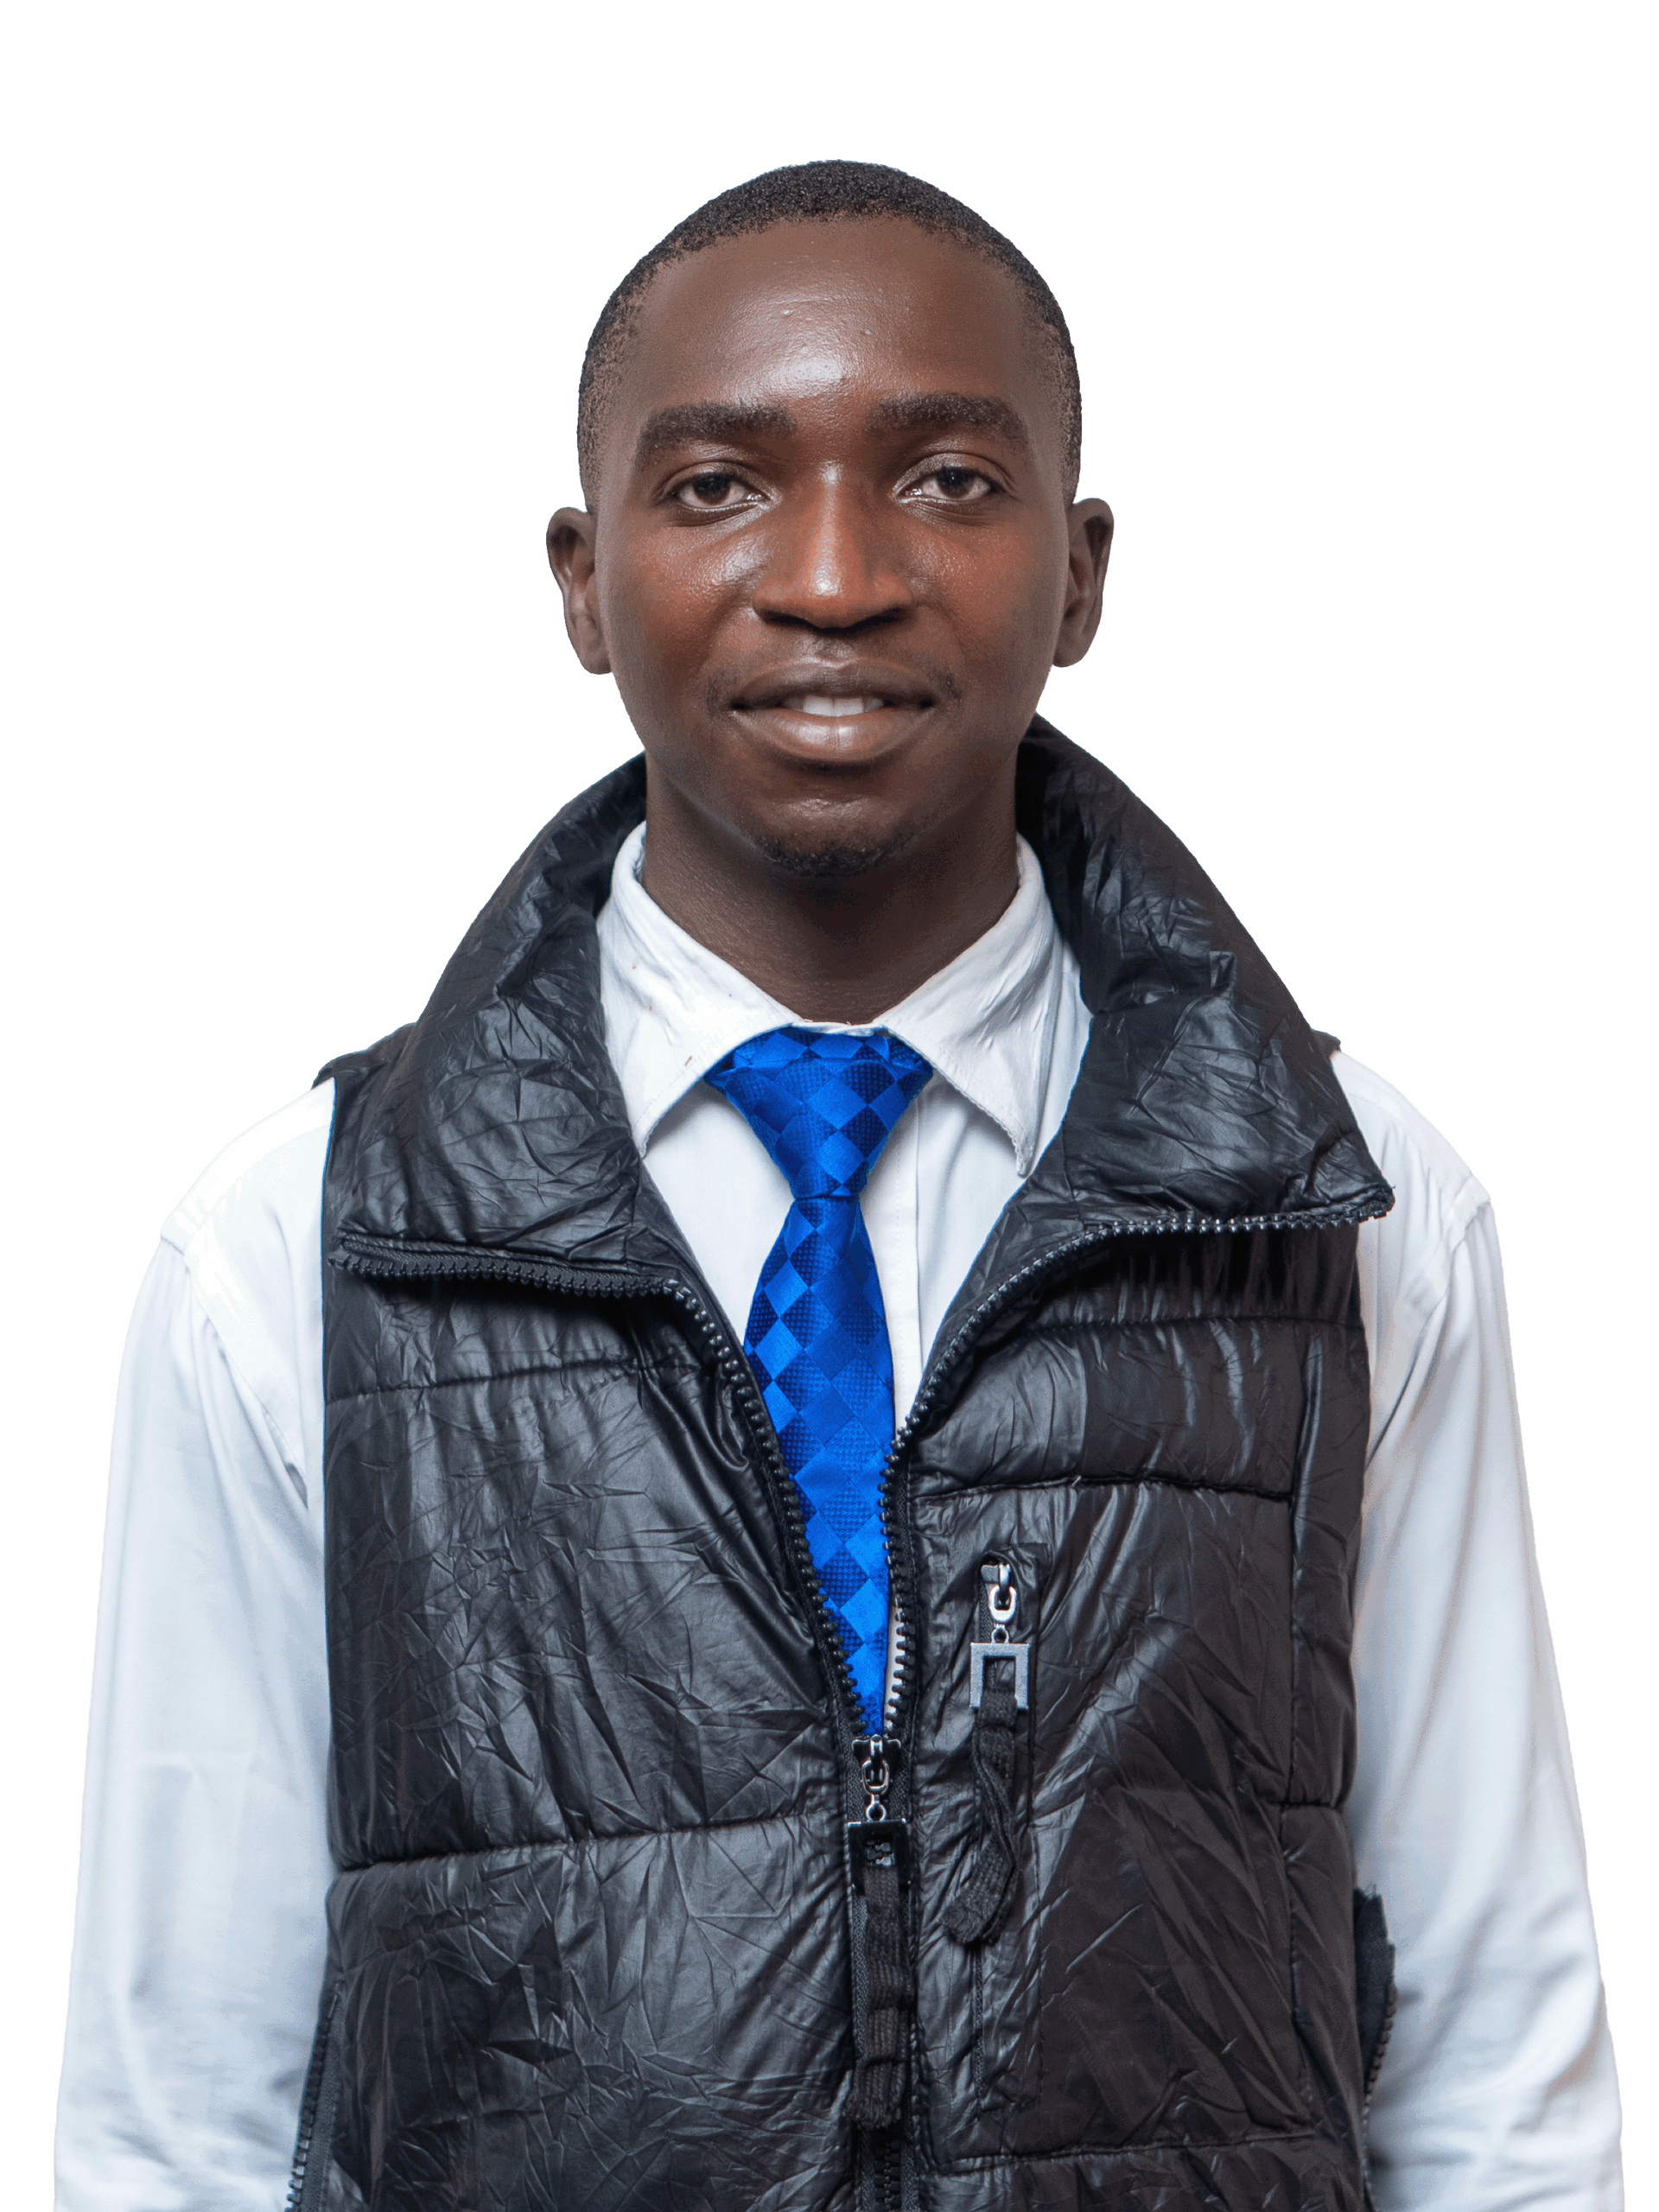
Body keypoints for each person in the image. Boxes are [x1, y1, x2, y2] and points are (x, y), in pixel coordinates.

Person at [55, 161, 1621, 2212]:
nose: (831, 574)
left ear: (1080, 572)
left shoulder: (1352, 1204)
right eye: (717, 485)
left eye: (948, 481)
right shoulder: (301, 1243)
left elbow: (1500, 2073)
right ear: (582, 578)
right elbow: (176, 2117)